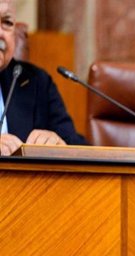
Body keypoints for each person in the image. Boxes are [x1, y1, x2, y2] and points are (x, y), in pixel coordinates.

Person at [0, 0, 87, 156]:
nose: (0, 33)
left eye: (7, 22)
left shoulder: (37, 82)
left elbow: (78, 146)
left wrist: (59, 143)